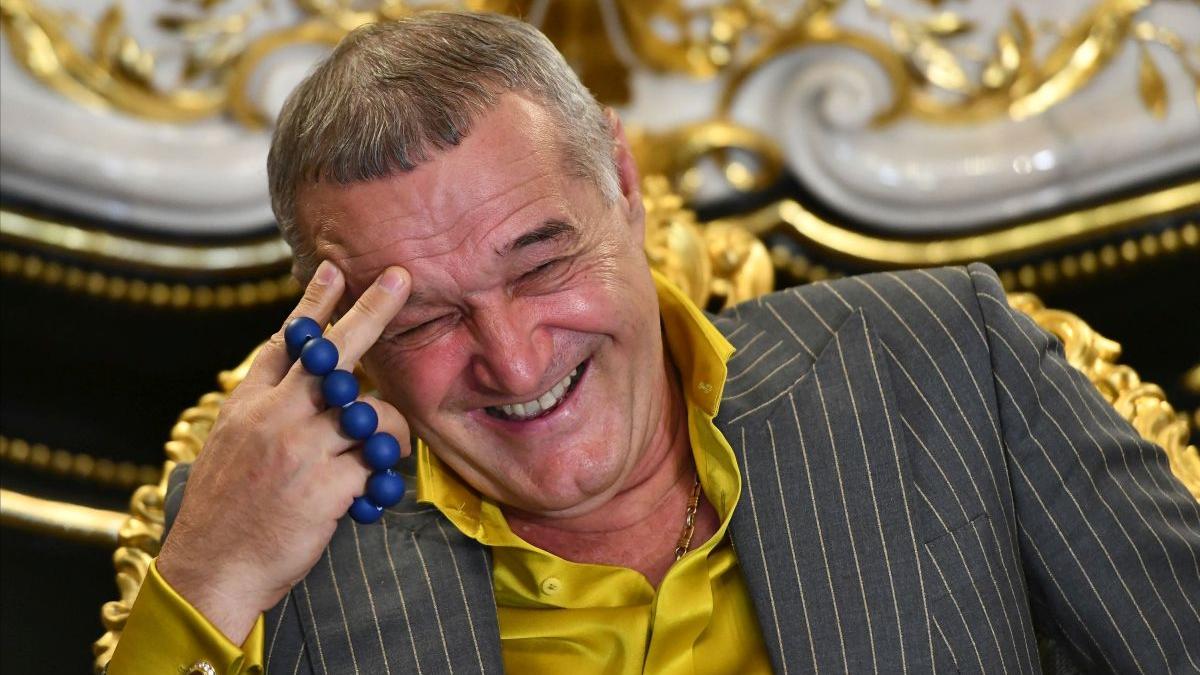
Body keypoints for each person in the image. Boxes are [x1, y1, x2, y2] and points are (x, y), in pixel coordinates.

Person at [107, 11, 1200, 675]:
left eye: (541, 265)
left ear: (624, 186)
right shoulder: (266, 548)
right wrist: (207, 579)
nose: (515, 361)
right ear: (338, 323)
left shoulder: (942, 358)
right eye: (426, 318)